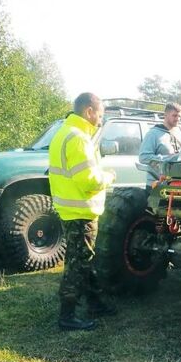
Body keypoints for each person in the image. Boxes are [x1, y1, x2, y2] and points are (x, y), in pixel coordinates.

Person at [48, 92, 116, 331]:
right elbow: (89, 181)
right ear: (89, 111)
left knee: (84, 259)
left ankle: (96, 302)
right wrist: (108, 177)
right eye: (100, 114)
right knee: (77, 265)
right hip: (81, 211)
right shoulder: (78, 138)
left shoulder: (63, 133)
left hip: (70, 209)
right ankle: (67, 316)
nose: (101, 119)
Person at [139, 102, 181, 184]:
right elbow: (143, 157)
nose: (177, 118)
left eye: (179, 116)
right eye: (174, 115)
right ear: (165, 115)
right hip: (156, 185)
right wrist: (168, 158)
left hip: (175, 184)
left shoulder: (179, 133)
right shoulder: (153, 134)